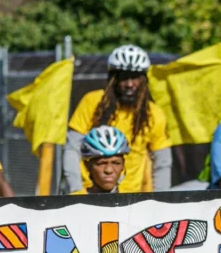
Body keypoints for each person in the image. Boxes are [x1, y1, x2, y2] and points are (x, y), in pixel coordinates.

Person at [64, 45, 172, 194]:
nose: (129, 84)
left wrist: (161, 200)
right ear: (113, 79)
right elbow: (72, 148)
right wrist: (76, 190)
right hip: (89, 194)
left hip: (131, 199)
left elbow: (162, 162)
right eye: (124, 77)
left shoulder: (153, 113)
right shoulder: (92, 102)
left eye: (135, 77)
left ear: (144, 80)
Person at [71, 126, 130, 195]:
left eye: (116, 163)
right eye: (101, 163)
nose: (109, 170)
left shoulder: (134, 200)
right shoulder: (73, 201)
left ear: (123, 165)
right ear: (87, 166)